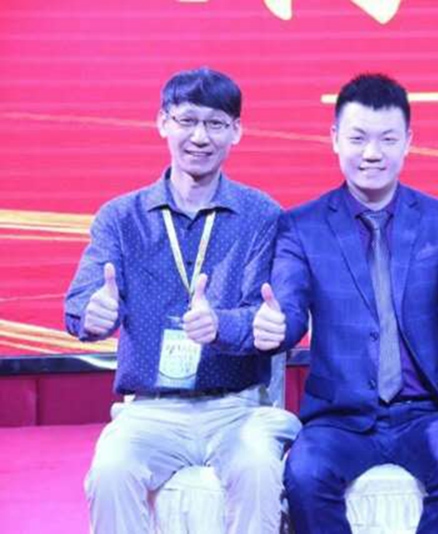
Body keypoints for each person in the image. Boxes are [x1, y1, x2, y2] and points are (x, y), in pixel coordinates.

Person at [64, 67, 301, 534]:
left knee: (258, 467)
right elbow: (80, 303)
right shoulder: (121, 217)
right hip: (151, 410)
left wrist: (221, 326)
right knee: (111, 471)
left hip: (237, 408)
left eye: (215, 124)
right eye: (187, 120)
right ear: (162, 123)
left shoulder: (262, 215)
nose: (200, 136)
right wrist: (92, 314)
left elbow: (265, 312)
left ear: (236, 131)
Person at [253, 73, 438, 534]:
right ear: (335, 139)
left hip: (425, 411)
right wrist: (276, 327)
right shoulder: (302, 225)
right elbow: (289, 309)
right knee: (304, 477)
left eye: (388, 139)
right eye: (358, 138)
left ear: (409, 142)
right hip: (338, 416)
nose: (372, 153)